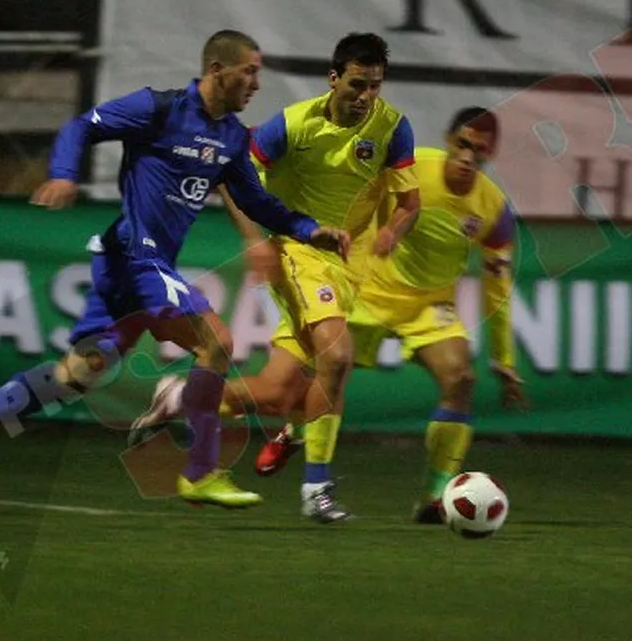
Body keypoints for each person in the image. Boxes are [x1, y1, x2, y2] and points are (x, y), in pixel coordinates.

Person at [0, 29, 349, 509]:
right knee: (217, 341)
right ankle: (201, 472)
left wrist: (309, 230)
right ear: (217, 70)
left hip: (130, 265)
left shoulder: (230, 138)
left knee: (76, 375)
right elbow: (82, 125)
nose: (256, 84)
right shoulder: (158, 108)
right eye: (249, 72)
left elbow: (258, 202)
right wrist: (64, 174)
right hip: (137, 257)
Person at [131, 107, 526, 521]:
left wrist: (504, 359)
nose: (468, 158)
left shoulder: (493, 209)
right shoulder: (409, 165)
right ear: (448, 139)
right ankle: (190, 400)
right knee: (277, 392)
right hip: (361, 289)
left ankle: (430, 496)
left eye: (480, 152)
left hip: (427, 306)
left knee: (461, 378)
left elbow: (497, 281)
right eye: (463, 145)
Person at [133, 33, 419, 523]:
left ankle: (180, 396)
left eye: (375, 86)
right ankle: (317, 489)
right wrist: (256, 241)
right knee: (337, 355)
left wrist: (393, 230)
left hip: (350, 267)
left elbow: (410, 204)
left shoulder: (392, 127)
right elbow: (229, 176)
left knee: (279, 391)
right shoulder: (293, 124)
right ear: (334, 79)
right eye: (357, 84)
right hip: (300, 252)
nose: (366, 96)